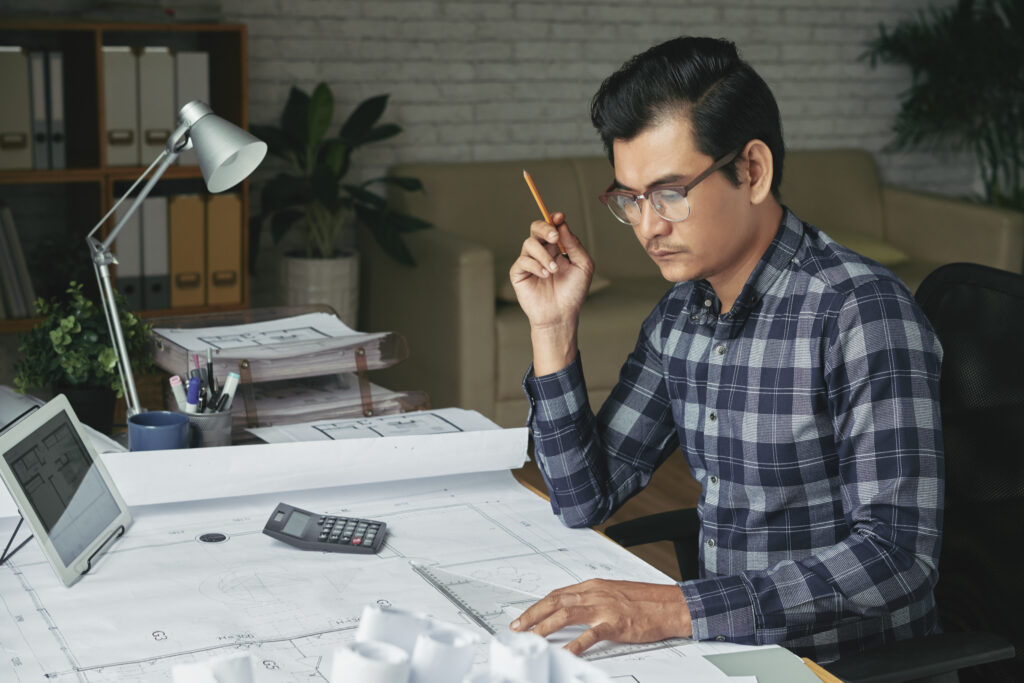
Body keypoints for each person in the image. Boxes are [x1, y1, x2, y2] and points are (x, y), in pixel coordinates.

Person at [507, 36, 944, 664]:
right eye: (630, 200)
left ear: (753, 171)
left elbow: (898, 557)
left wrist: (677, 609)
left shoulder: (860, 312)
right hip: (720, 649)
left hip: (837, 665)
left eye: (668, 193)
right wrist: (551, 328)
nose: (650, 226)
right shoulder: (681, 314)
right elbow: (583, 497)